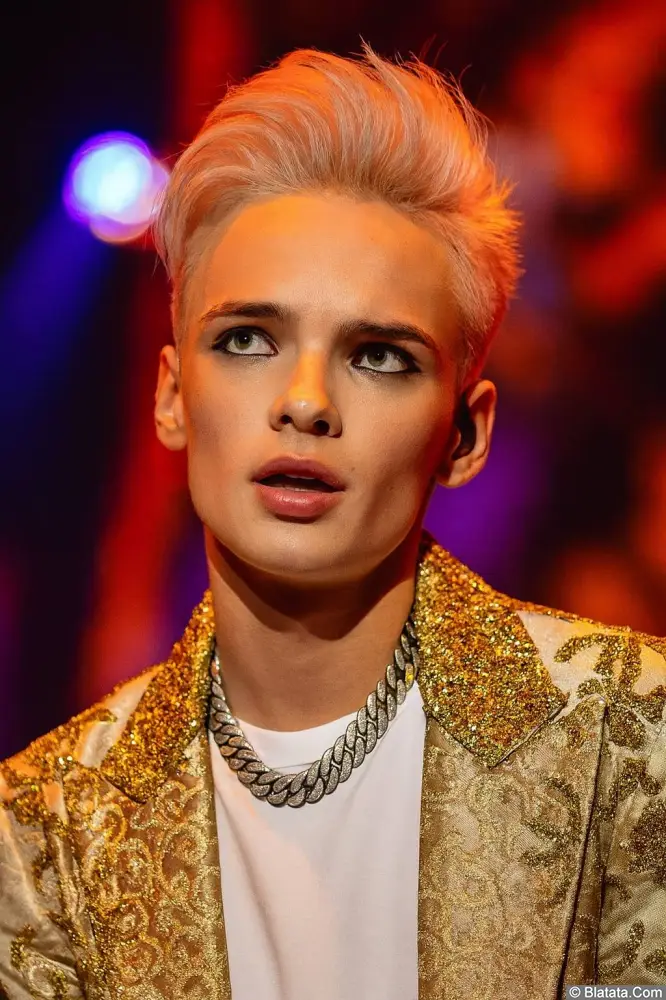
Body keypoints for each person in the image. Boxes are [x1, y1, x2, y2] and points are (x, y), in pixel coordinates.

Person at [1, 45, 665, 1000]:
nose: (306, 400)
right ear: (173, 397)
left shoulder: (634, 745)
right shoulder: (44, 835)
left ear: (465, 434)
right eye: (247, 340)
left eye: (380, 356)